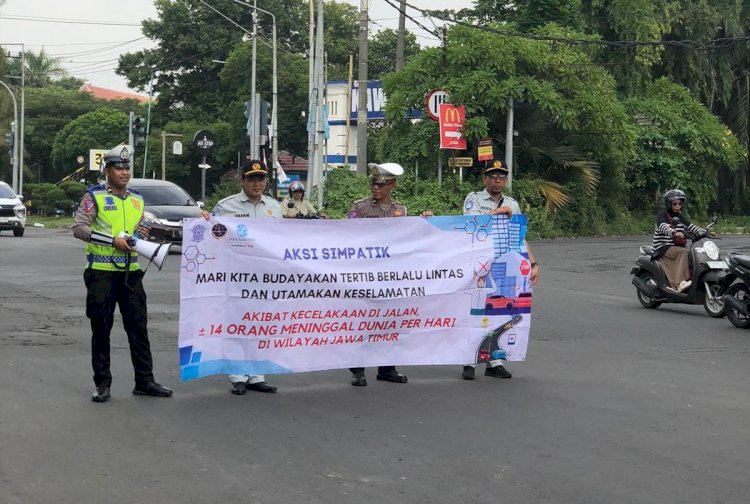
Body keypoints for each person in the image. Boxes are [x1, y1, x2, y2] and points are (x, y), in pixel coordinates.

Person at [72, 144, 173, 403]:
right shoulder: (93, 196)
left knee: (138, 327)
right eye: (119, 168)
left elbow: (137, 230)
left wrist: (142, 235)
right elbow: (79, 228)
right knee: (101, 329)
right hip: (101, 273)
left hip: (132, 273)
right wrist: (111, 241)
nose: (124, 173)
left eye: (127, 168)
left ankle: (145, 380)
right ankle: (102, 383)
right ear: (108, 170)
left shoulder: (137, 198)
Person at [205, 159, 281, 395]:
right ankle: (237, 375)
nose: (257, 183)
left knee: (259, 324)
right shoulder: (226, 206)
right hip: (236, 274)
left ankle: (256, 375)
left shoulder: (275, 207)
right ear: (242, 181)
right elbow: (212, 235)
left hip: (264, 276)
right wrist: (204, 221)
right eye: (252, 178)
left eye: (261, 179)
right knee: (236, 324)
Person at [461, 159, 539, 380]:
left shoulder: (512, 204)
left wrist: (533, 263)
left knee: (499, 314)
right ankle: (468, 361)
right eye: (493, 176)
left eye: (501, 176)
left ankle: (494, 361)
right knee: (475, 313)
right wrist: (499, 213)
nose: (497, 180)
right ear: (485, 179)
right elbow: (472, 222)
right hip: (477, 264)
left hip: (504, 266)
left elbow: (519, 236)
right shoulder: (474, 199)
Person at [347, 162, 413, 386]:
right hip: (364, 273)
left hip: (390, 275)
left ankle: (387, 368)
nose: (376, 187)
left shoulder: (400, 211)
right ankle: (358, 369)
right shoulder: (360, 208)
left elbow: (408, 239)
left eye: (381, 184)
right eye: (373, 183)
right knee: (363, 322)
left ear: (392, 185)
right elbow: (346, 238)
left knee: (389, 323)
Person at [653, 189, 710, 292]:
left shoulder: (679, 216)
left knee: (694, 253)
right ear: (669, 204)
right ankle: (680, 282)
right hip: (663, 247)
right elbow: (663, 227)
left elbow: (692, 227)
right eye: (674, 204)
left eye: (680, 204)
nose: (677, 206)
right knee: (685, 252)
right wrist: (674, 233)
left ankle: (693, 279)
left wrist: (706, 232)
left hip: (675, 246)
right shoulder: (662, 216)